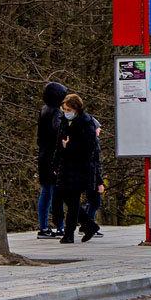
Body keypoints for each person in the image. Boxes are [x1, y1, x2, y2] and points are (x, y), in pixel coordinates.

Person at [56, 93, 102, 244]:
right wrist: (56, 164)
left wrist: (69, 146)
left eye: (68, 109)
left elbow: (90, 147)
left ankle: (69, 233)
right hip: (67, 165)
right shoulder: (64, 121)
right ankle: (89, 225)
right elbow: (59, 144)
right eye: (64, 109)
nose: (66, 112)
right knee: (68, 198)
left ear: (76, 109)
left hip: (80, 167)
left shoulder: (86, 123)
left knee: (73, 199)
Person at [36, 82, 67, 239]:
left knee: (46, 192)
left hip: (43, 156)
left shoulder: (43, 110)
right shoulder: (55, 112)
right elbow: (57, 132)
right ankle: (60, 226)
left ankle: (43, 227)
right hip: (53, 157)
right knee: (56, 194)